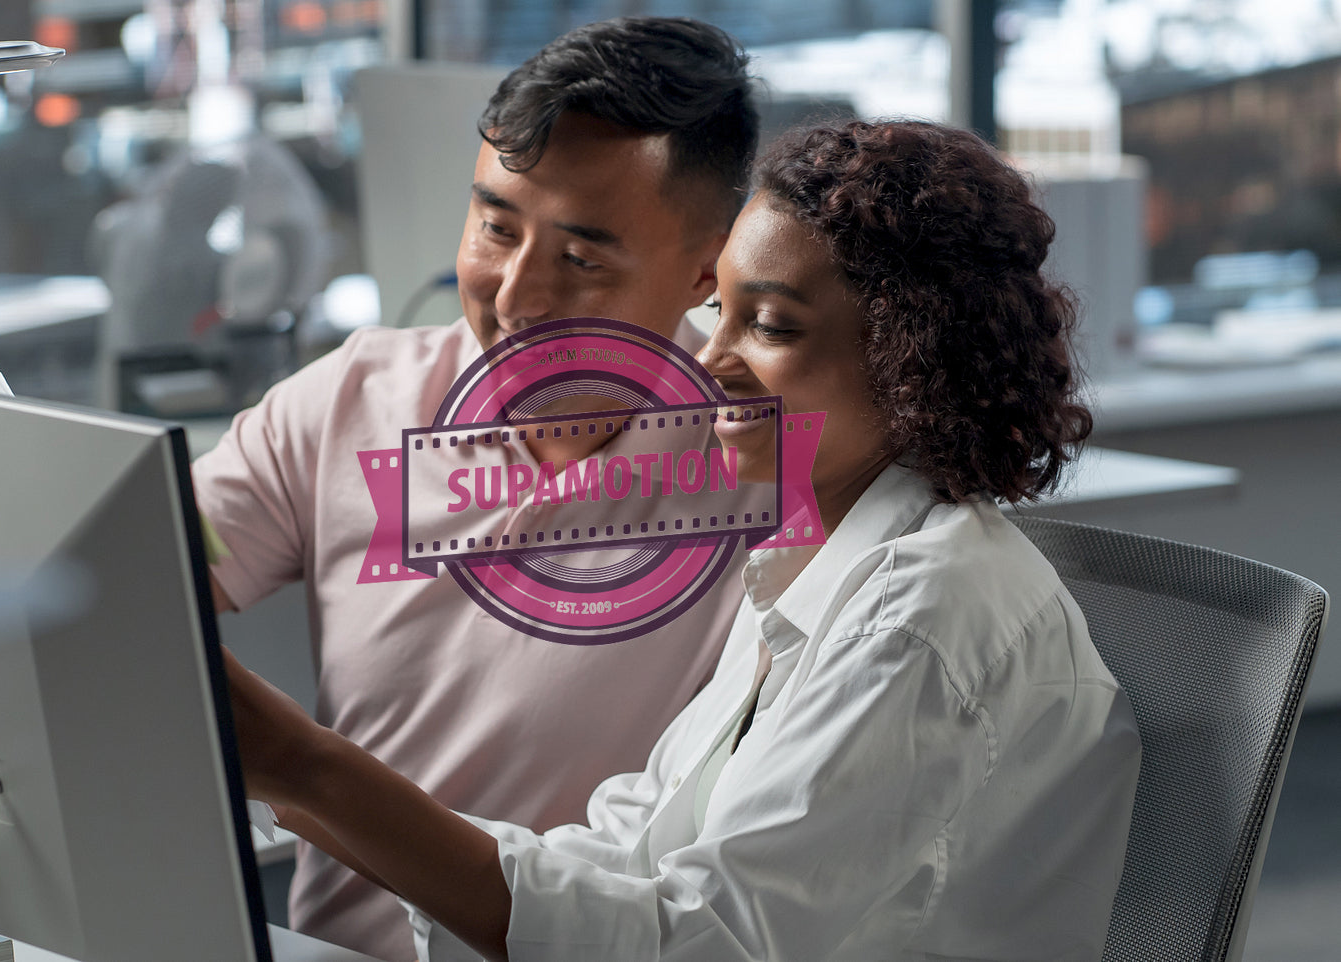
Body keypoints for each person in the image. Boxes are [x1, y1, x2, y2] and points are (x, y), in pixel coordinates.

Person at [222, 118, 1143, 962]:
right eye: (727, 314)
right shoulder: (809, 565)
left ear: (912, 361)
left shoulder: (919, 616)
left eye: (771, 326)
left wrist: (312, 769)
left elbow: (699, 942)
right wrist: (306, 794)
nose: (710, 362)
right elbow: (634, 845)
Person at [192, 17, 759, 960]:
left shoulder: (765, 472)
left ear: (707, 270)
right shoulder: (348, 401)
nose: (515, 296)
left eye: (582, 259)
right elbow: (155, 566)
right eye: (496, 226)